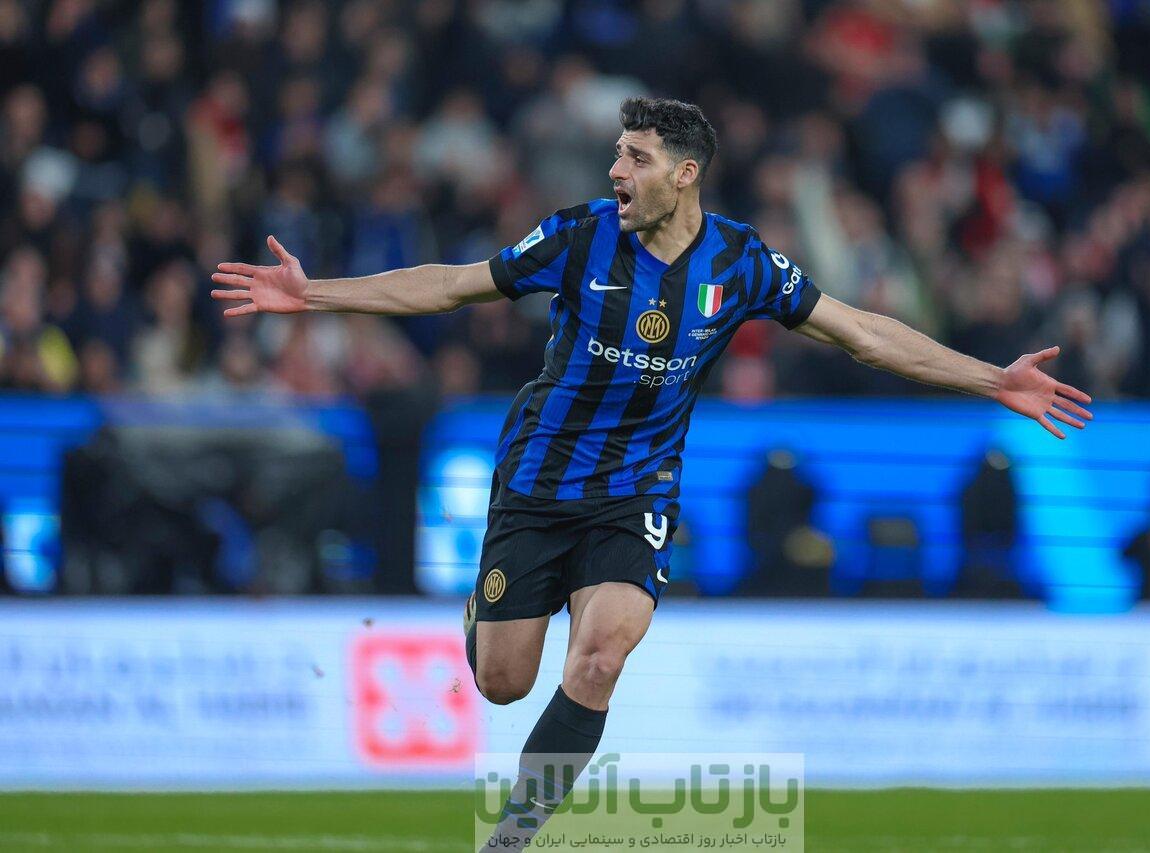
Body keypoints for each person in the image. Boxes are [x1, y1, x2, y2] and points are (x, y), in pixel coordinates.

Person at [211, 97, 1093, 847]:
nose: (615, 171)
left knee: (598, 659)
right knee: (504, 681)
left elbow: (863, 332)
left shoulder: (742, 263)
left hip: (636, 492)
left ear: (684, 173)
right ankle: (487, 612)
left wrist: (992, 379)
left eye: (635, 157)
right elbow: (451, 284)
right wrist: (313, 293)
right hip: (538, 483)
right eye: (617, 154)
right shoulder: (578, 237)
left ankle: (510, 838)